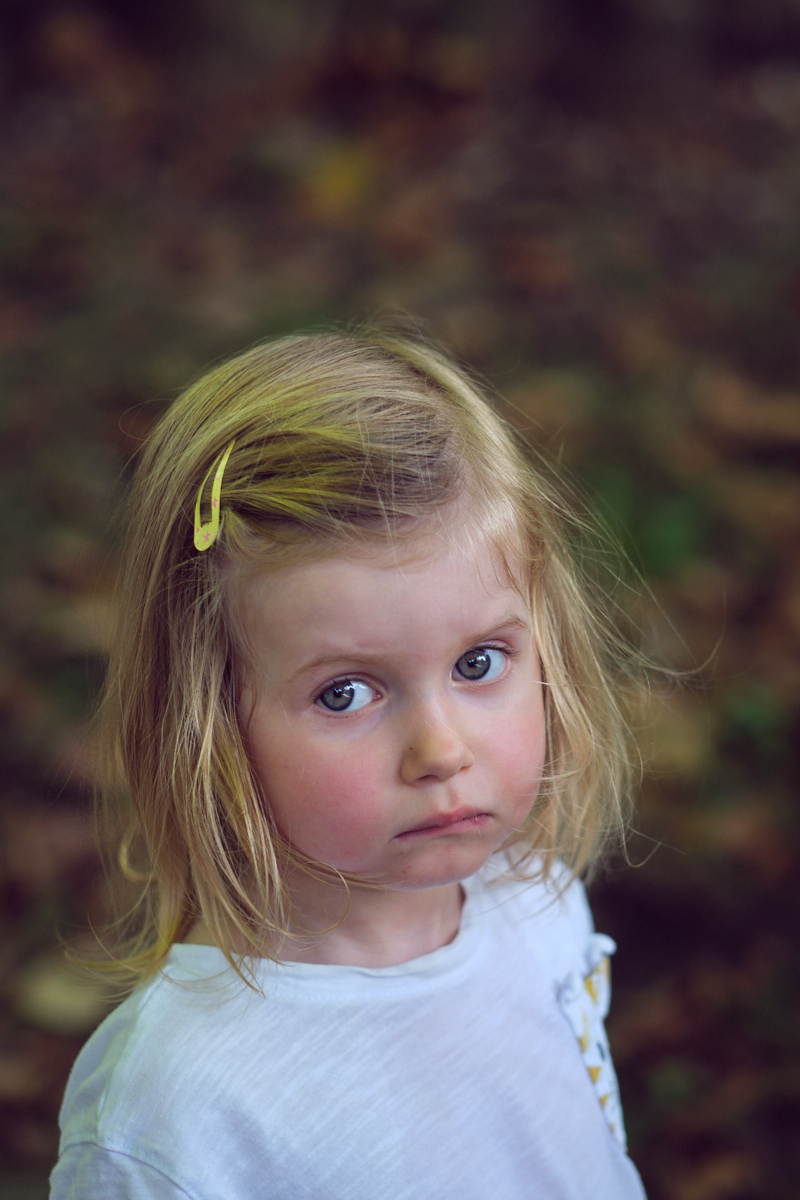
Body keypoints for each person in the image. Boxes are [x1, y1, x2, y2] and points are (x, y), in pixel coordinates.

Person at [50, 331, 648, 1199]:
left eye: (479, 663)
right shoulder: (178, 1114)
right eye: (346, 694)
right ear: (207, 720)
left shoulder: (537, 905)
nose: (442, 750)